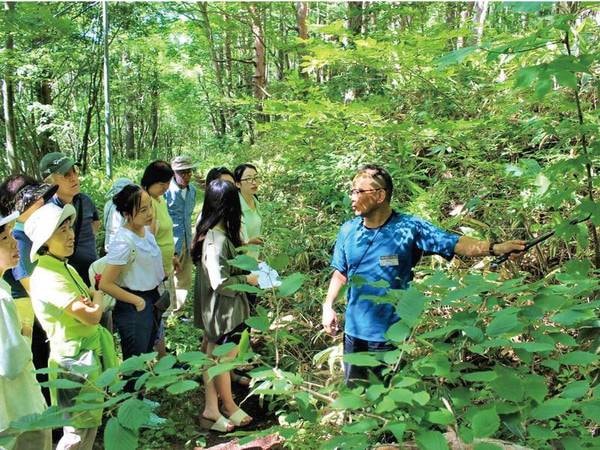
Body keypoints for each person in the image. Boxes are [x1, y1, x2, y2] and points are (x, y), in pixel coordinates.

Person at [321, 165, 526, 385]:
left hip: (392, 335)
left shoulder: (409, 228)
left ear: (380, 195)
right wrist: (328, 305)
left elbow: (454, 242)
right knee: (356, 398)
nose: (352, 197)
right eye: (352, 191)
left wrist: (495, 248)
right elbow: (341, 272)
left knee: (390, 403)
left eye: (358, 191)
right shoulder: (348, 230)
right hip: (354, 332)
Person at [25, 202, 117, 450]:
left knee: (90, 425)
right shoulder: (47, 275)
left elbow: (88, 302)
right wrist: (97, 298)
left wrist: (92, 301)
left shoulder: (65, 267)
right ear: (45, 241)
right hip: (72, 365)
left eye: (69, 228)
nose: (70, 235)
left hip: (87, 359)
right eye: (61, 231)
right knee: (75, 433)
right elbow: (92, 315)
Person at [191, 179, 258, 432]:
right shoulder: (216, 239)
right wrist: (248, 279)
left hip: (217, 310)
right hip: (224, 312)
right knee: (223, 359)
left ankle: (212, 407)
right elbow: (221, 282)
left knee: (212, 356)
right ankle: (227, 404)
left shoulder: (214, 233)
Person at [0, 208, 51, 450]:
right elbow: (10, 363)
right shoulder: (1, 297)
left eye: (10, 235)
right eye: (4, 239)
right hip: (19, 410)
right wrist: (24, 337)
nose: (13, 244)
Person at [99, 185, 165, 362]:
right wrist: (137, 301)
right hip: (133, 304)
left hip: (152, 299)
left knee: (145, 353)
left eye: (150, 206)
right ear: (127, 213)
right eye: (143, 210)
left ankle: (141, 389)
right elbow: (105, 284)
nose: (149, 213)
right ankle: (132, 390)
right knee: (135, 362)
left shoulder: (145, 232)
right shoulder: (123, 242)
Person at [40, 152, 101, 284]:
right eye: (66, 175)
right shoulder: (46, 211)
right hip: (63, 279)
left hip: (92, 273)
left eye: (75, 171)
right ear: (49, 182)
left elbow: (96, 223)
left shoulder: (86, 201)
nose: (74, 178)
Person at [141, 161, 175, 355]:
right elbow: (147, 236)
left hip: (165, 264)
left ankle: (161, 351)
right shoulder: (146, 201)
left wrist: (174, 256)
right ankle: (158, 355)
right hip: (154, 268)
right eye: (162, 184)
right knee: (156, 310)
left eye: (168, 183)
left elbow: (167, 230)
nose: (166, 188)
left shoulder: (160, 200)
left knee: (161, 309)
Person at [165, 155, 197, 316]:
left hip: (186, 238)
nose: (186, 176)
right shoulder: (166, 192)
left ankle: (178, 310)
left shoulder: (193, 191)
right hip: (170, 241)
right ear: (174, 174)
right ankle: (167, 310)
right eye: (182, 172)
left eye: (188, 172)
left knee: (184, 275)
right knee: (168, 276)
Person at [234, 163, 263, 259]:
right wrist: (249, 241)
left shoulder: (256, 202)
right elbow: (230, 242)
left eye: (256, 178)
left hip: (255, 261)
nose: (254, 182)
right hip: (240, 264)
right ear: (238, 184)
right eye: (248, 179)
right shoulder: (235, 208)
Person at [103, 178, 133, 253]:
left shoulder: (108, 204)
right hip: (121, 246)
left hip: (109, 243)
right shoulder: (123, 206)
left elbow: (105, 225)